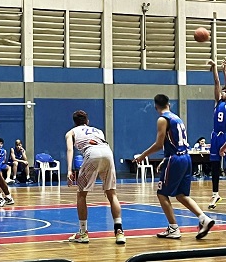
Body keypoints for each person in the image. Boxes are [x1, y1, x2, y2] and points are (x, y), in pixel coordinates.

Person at [134, 94, 215, 240]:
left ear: (155, 106)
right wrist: (166, 160)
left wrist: (142, 155)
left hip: (175, 159)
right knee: (181, 195)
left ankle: (173, 228)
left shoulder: (162, 119)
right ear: (169, 104)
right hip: (186, 158)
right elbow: (176, 143)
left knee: (161, 193)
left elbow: (159, 144)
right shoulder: (177, 118)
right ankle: (204, 219)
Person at [65, 110, 126, 244]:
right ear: (87, 121)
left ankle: (83, 233)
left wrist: (69, 170)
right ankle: (119, 231)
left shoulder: (71, 132)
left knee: (81, 194)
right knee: (112, 194)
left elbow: (70, 150)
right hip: (108, 153)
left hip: (91, 153)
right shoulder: (98, 130)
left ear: (75, 122)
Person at [207, 59, 226, 209]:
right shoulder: (218, 102)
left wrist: (225, 71)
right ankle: (215, 195)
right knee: (214, 165)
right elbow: (216, 82)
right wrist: (215, 68)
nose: (222, 92)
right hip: (215, 136)